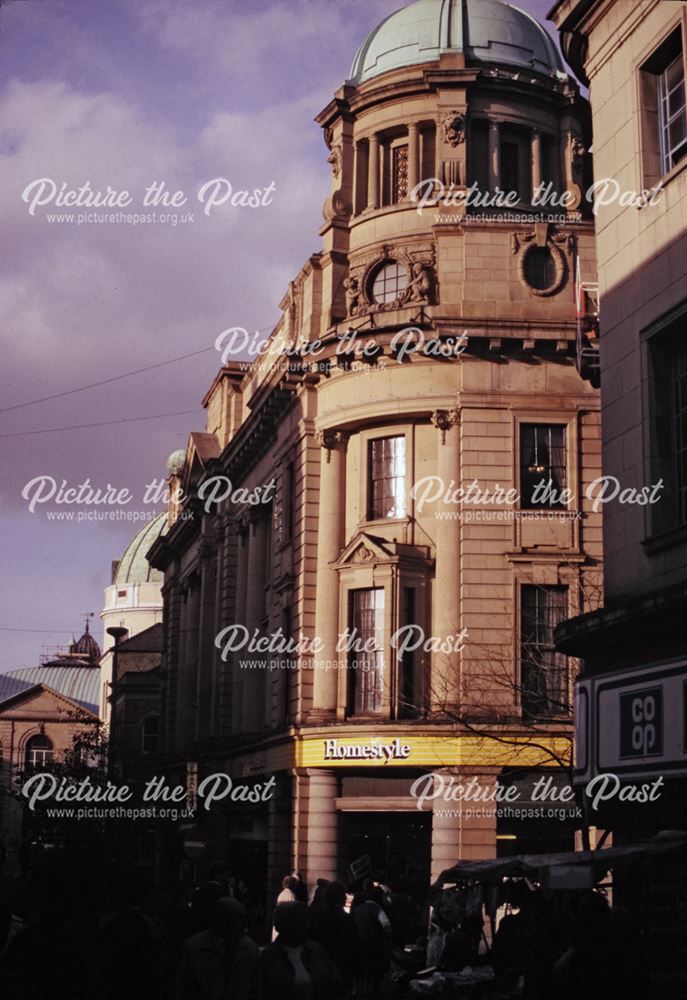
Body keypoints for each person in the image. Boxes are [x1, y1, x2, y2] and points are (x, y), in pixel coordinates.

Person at [178, 896, 259, 1000]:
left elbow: (256, 988)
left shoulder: (251, 948)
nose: (244, 924)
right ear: (222, 920)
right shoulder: (192, 947)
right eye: (238, 919)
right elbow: (183, 988)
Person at [260, 901, 342, 1000]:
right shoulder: (269, 957)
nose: (307, 925)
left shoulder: (316, 950)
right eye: (300, 921)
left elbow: (333, 982)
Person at [309, 881, 356, 989]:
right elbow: (352, 948)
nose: (346, 897)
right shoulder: (345, 920)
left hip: (317, 968)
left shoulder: (314, 915)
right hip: (339, 968)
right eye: (344, 894)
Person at [272, 875, 299, 940]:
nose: (296, 886)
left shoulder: (282, 894)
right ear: (291, 884)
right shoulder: (290, 895)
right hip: (286, 927)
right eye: (295, 884)